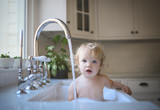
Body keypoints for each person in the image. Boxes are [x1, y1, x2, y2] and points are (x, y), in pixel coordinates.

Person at [68, 42, 132, 101]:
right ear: (78, 63)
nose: (88, 65)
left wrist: (122, 86)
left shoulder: (103, 79)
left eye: (94, 61)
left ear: (100, 65)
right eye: (84, 61)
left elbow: (112, 84)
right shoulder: (75, 84)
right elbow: (71, 103)